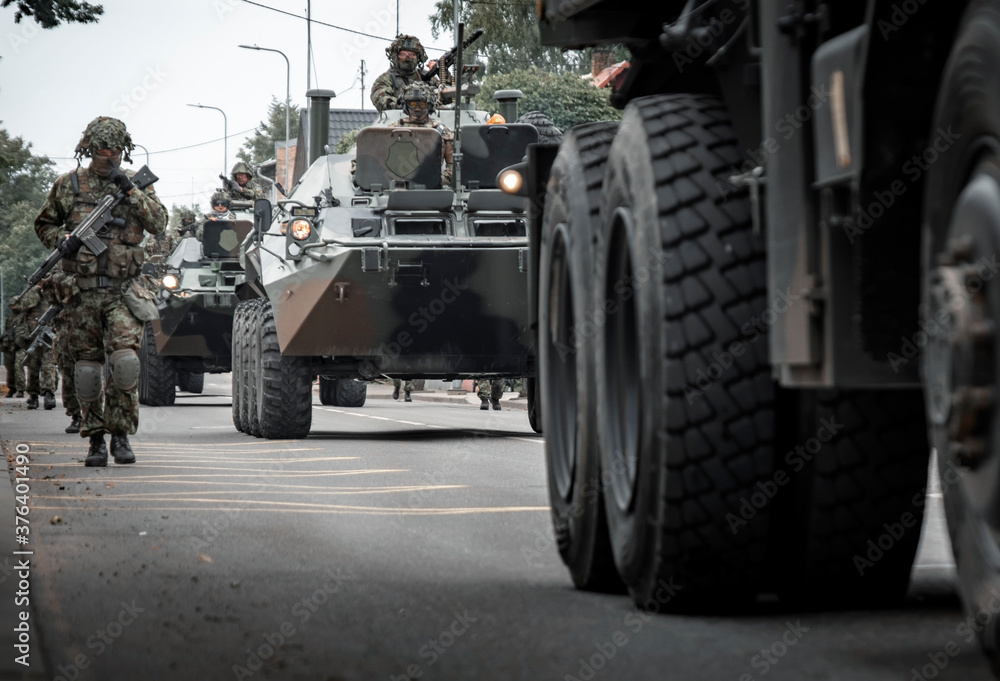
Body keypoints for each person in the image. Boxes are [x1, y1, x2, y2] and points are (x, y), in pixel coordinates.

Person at [34, 116, 168, 466]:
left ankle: (120, 435)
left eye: (113, 151)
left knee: (125, 364)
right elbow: (45, 222)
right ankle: (94, 439)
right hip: (83, 292)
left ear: (123, 150)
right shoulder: (69, 185)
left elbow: (158, 223)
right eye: (100, 150)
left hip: (123, 292)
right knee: (88, 371)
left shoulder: (136, 186)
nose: (107, 156)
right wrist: (61, 239)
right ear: (89, 149)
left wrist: (131, 191)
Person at [387, 84, 455, 185]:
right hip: (398, 186)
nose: (417, 109)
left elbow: (453, 165)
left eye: (422, 104)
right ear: (406, 105)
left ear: (429, 105)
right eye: (413, 104)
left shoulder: (444, 131)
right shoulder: (393, 129)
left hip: (431, 188)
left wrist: (440, 180)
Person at [15, 286, 58, 410]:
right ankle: (33, 396)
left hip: (50, 337)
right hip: (33, 336)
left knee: (48, 366)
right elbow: (22, 307)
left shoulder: (55, 294)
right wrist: (37, 292)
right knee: (33, 368)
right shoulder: (32, 293)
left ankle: (49, 394)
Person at [370, 34, 438, 112]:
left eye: (412, 55)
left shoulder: (426, 77)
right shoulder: (386, 79)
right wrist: (402, 104)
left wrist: (442, 73)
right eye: (403, 54)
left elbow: (447, 94)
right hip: (398, 121)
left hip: (428, 120)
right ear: (395, 56)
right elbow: (379, 98)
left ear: (418, 57)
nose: (407, 58)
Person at [3, 296, 26, 398]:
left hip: (21, 346)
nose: (14, 307)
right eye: (12, 305)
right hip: (10, 347)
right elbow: (7, 331)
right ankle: (12, 388)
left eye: (15, 305)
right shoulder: (10, 318)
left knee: (18, 367)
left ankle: (20, 389)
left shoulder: (24, 317)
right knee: (10, 368)